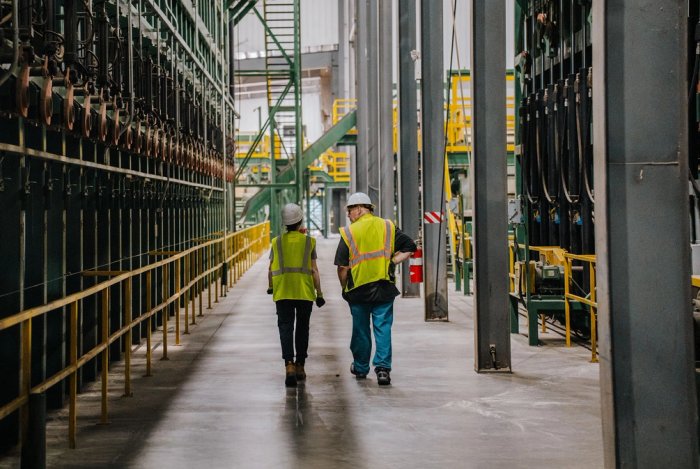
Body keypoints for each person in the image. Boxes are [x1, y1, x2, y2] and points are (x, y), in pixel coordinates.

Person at [334, 192, 417, 386]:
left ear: (360, 209)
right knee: (383, 328)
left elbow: (342, 267)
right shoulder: (387, 226)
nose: (348, 215)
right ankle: (382, 370)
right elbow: (409, 246)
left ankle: (361, 367)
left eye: (350, 210)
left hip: (359, 290)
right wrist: (392, 262)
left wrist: (344, 287)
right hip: (384, 287)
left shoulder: (350, 233)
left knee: (361, 330)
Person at [268, 203, 325, 387]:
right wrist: (320, 293)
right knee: (302, 327)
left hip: (283, 291)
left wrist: (271, 287)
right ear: (300, 220)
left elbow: (270, 269)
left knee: (285, 327)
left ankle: (289, 366)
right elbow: (314, 270)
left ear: (284, 223)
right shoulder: (309, 242)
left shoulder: (276, 242)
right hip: (304, 291)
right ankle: (300, 365)